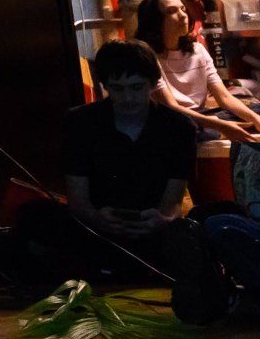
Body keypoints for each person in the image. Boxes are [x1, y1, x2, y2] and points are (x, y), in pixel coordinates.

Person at [13, 40, 200, 296]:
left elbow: (172, 203)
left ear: (152, 83)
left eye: (136, 88)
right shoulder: (81, 122)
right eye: (117, 89)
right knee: (35, 215)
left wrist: (160, 220)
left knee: (202, 226)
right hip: (96, 227)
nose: (128, 98)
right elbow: (78, 199)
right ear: (105, 86)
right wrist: (96, 217)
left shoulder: (179, 128)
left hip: (151, 228)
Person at [135, 0, 260, 144]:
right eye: (171, 11)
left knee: (255, 109)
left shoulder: (197, 50)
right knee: (183, 129)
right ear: (155, 20)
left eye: (183, 9)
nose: (183, 15)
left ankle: (223, 129)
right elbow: (170, 107)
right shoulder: (147, 56)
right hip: (175, 120)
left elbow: (224, 97)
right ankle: (220, 131)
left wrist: (255, 118)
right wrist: (220, 125)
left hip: (203, 116)